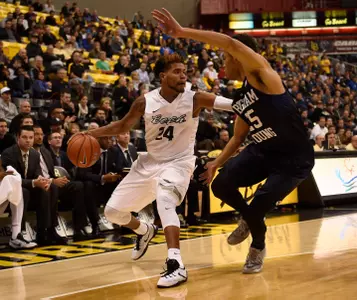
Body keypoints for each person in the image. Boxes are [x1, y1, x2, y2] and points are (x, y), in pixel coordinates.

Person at [152, 9, 314, 274]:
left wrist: (181, 32)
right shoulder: (241, 97)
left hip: (293, 159)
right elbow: (239, 136)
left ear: (240, 58)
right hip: (263, 151)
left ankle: (257, 246)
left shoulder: (263, 76)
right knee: (222, 185)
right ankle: (250, 219)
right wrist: (216, 162)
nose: (224, 64)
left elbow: (230, 42)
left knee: (260, 203)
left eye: (226, 59)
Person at [73, 53, 233, 288]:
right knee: (112, 212)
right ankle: (144, 230)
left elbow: (231, 104)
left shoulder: (195, 98)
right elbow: (122, 126)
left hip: (179, 162)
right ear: (162, 76)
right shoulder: (145, 101)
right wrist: (90, 134)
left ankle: (176, 264)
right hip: (150, 163)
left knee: (165, 200)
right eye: (176, 72)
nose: (182, 76)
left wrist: (254, 103)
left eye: (184, 72)